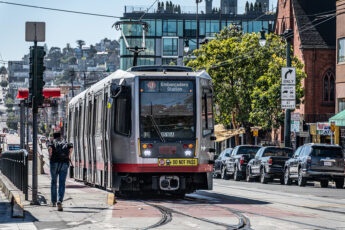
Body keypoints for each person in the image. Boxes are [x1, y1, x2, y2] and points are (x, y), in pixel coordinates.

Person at [48, 132, 73, 211]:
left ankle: (53, 202)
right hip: (64, 164)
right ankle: (60, 201)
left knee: (54, 182)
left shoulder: (52, 142)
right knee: (62, 183)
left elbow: (50, 149)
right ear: (60, 136)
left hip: (54, 164)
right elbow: (71, 148)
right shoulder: (64, 142)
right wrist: (69, 156)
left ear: (53, 137)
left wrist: (50, 156)